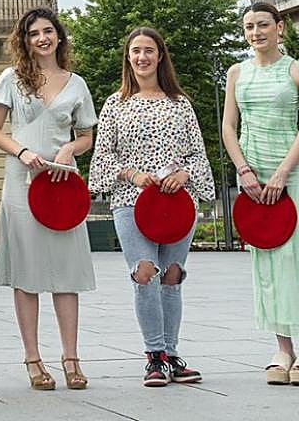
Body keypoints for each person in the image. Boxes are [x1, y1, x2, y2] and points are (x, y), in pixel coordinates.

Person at [88, 27, 214, 386]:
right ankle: (154, 356)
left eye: (149, 51)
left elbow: (198, 155)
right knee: (145, 273)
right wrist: (132, 174)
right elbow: (102, 159)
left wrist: (186, 174)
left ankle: (173, 356)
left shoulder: (181, 103)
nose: (142, 57)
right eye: (135, 51)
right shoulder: (116, 103)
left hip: (177, 203)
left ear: (160, 56)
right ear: (128, 58)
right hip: (132, 201)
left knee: (172, 275)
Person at [0, 7, 97, 391]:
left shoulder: (76, 83)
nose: (42, 38)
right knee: (27, 274)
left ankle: (71, 357)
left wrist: (70, 150)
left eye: (48, 31)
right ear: (25, 40)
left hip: (63, 182)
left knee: (66, 272)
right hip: (23, 181)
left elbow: (86, 135)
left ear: (59, 37)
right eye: (34, 33)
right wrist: (20, 152)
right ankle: (33, 359)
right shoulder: (11, 79)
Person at [221, 1, 299, 384]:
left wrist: (285, 171)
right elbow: (228, 128)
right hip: (253, 178)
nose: (256, 33)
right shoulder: (237, 72)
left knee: (295, 259)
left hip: (293, 173)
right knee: (267, 262)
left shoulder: (295, 70)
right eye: (250, 26)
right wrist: (244, 171)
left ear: (279, 27)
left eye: (263, 25)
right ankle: (283, 350)